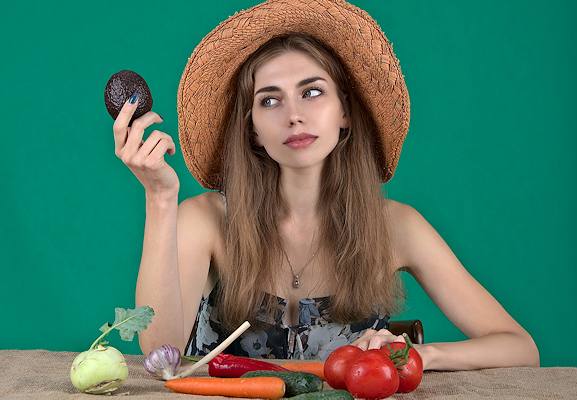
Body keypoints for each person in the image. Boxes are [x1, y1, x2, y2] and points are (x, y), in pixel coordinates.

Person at [113, 0, 539, 370]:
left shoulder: (397, 226)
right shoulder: (205, 220)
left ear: (345, 113)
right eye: (270, 100)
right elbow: (160, 354)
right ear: (254, 131)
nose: (293, 115)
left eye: (312, 92)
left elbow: (520, 348)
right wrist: (160, 197)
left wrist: (420, 355)